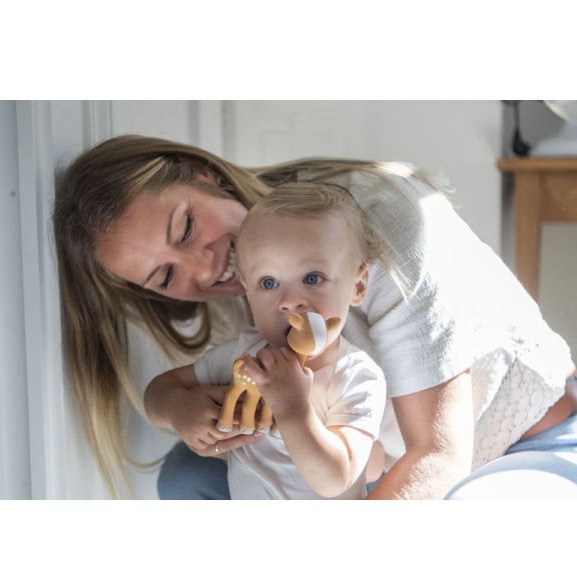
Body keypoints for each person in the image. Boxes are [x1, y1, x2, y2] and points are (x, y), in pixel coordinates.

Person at [53, 134, 577, 500]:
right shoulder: (250, 297)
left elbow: (437, 456)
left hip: (516, 444)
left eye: (186, 227)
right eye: (167, 276)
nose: (206, 268)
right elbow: (169, 395)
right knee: (187, 477)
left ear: (201, 172)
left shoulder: (383, 228)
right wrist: (182, 407)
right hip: (367, 465)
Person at [144, 183, 386, 499]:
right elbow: (157, 393)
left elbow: (335, 480)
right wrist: (179, 407)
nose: (290, 301)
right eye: (269, 283)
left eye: (312, 278)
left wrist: (294, 410)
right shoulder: (246, 355)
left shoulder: (355, 376)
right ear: (247, 291)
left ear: (358, 286)